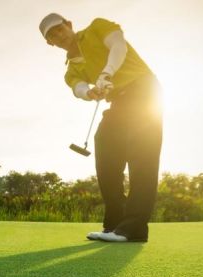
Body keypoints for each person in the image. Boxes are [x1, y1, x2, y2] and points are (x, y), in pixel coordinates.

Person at [39, 13, 162, 243]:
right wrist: (91, 92)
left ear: (69, 25)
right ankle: (115, 224)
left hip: (144, 90)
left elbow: (118, 45)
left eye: (59, 28)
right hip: (118, 102)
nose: (58, 35)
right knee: (104, 147)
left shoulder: (97, 27)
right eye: (52, 35)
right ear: (50, 43)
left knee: (142, 156)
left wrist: (106, 73)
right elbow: (78, 88)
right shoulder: (71, 71)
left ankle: (134, 228)